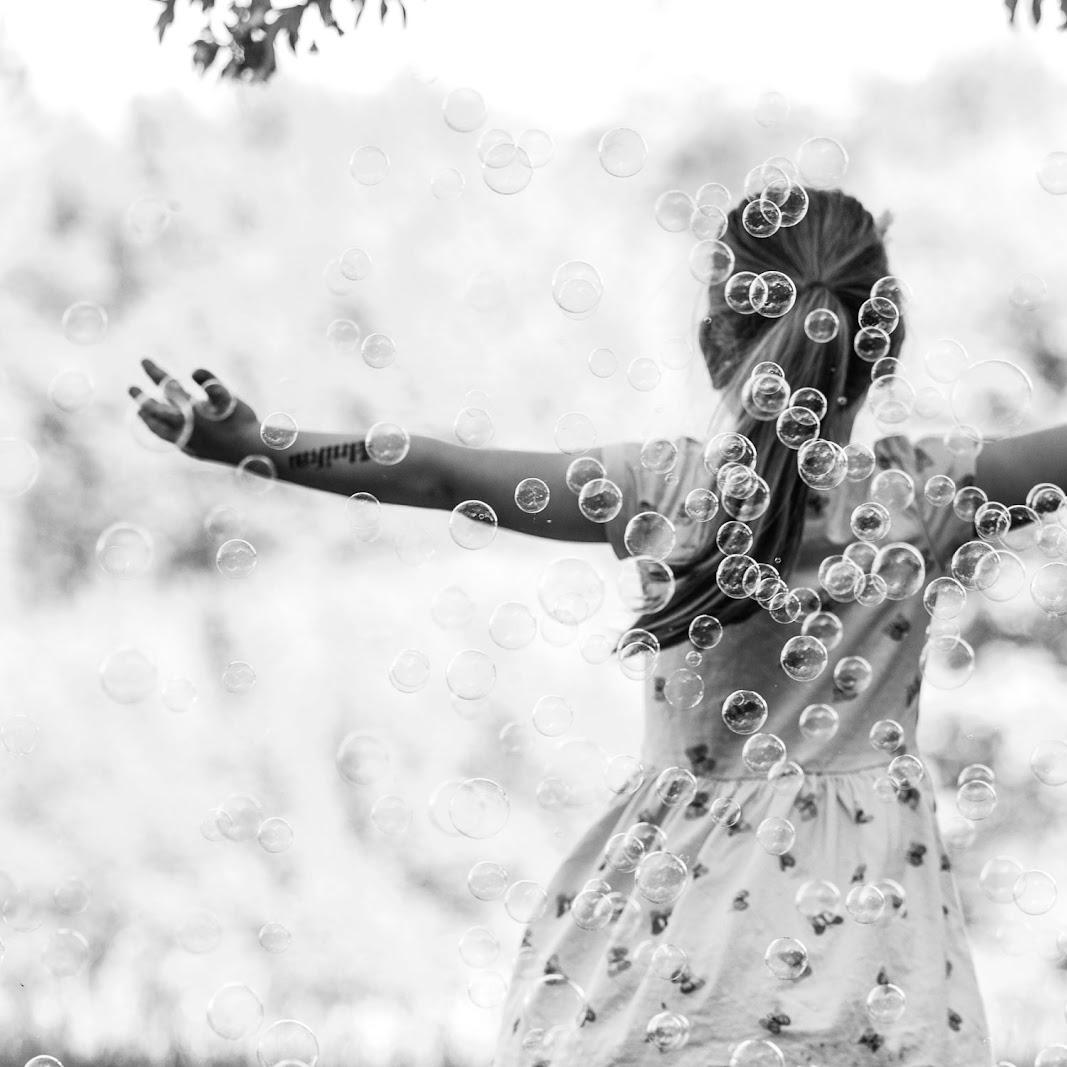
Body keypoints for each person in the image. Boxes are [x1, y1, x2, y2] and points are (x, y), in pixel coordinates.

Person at [130, 185, 1050, 1067]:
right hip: (867, 926)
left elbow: (437, 473)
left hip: (679, 925)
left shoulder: (663, 489)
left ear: (713, 343)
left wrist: (256, 445)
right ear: (882, 349)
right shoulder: (926, 493)